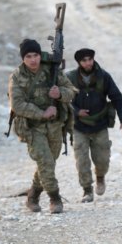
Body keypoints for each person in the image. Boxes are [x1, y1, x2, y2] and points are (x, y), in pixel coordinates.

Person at [8, 39, 77, 213]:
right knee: (45, 162)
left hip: (55, 125)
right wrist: (41, 113)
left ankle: (33, 195)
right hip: (32, 128)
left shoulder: (52, 69)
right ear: (23, 58)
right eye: (28, 56)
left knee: (49, 163)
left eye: (36, 55)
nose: (33, 60)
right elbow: (17, 104)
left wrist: (60, 93)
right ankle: (55, 199)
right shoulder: (17, 76)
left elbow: (72, 90)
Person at [66, 48, 122, 203]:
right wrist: (76, 111)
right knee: (81, 160)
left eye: (90, 59)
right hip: (79, 126)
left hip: (99, 125)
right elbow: (63, 100)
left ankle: (100, 177)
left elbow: (117, 98)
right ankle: (87, 190)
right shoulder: (70, 78)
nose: (88, 63)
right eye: (84, 60)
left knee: (102, 160)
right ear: (79, 63)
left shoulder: (103, 76)